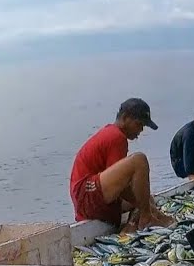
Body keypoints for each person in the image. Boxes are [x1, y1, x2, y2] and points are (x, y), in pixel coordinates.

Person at [69, 98, 174, 231]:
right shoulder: (116, 137)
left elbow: (124, 185)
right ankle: (147, 219)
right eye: (139, 124)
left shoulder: (111, 133)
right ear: (125, 118)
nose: (141, 130)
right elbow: (122, 187)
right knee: (139, 160)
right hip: (87, 195)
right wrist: (150, 210)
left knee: (147, 198)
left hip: (88, 200)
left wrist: (146, 203)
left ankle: (130, 227)